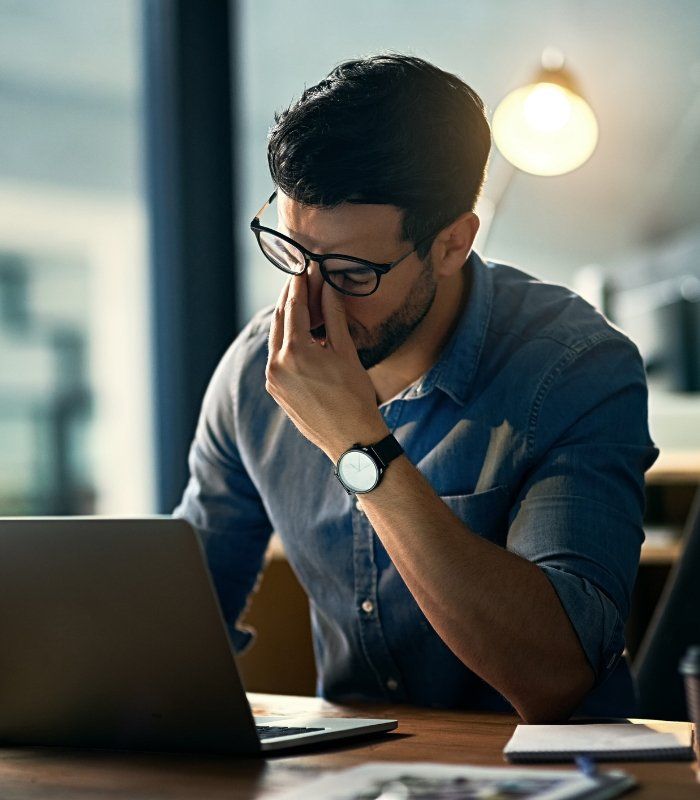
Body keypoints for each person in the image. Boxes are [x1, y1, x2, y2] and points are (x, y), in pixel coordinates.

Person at [174, 53, 658, 723]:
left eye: (350, 272)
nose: (311, 302)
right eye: (293, 254)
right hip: (350, 773)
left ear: (453, 243)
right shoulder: (258, 370)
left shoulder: (575, 368)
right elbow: (179, 618)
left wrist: (357, 445)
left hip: (551, 778)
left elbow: (556, 676)